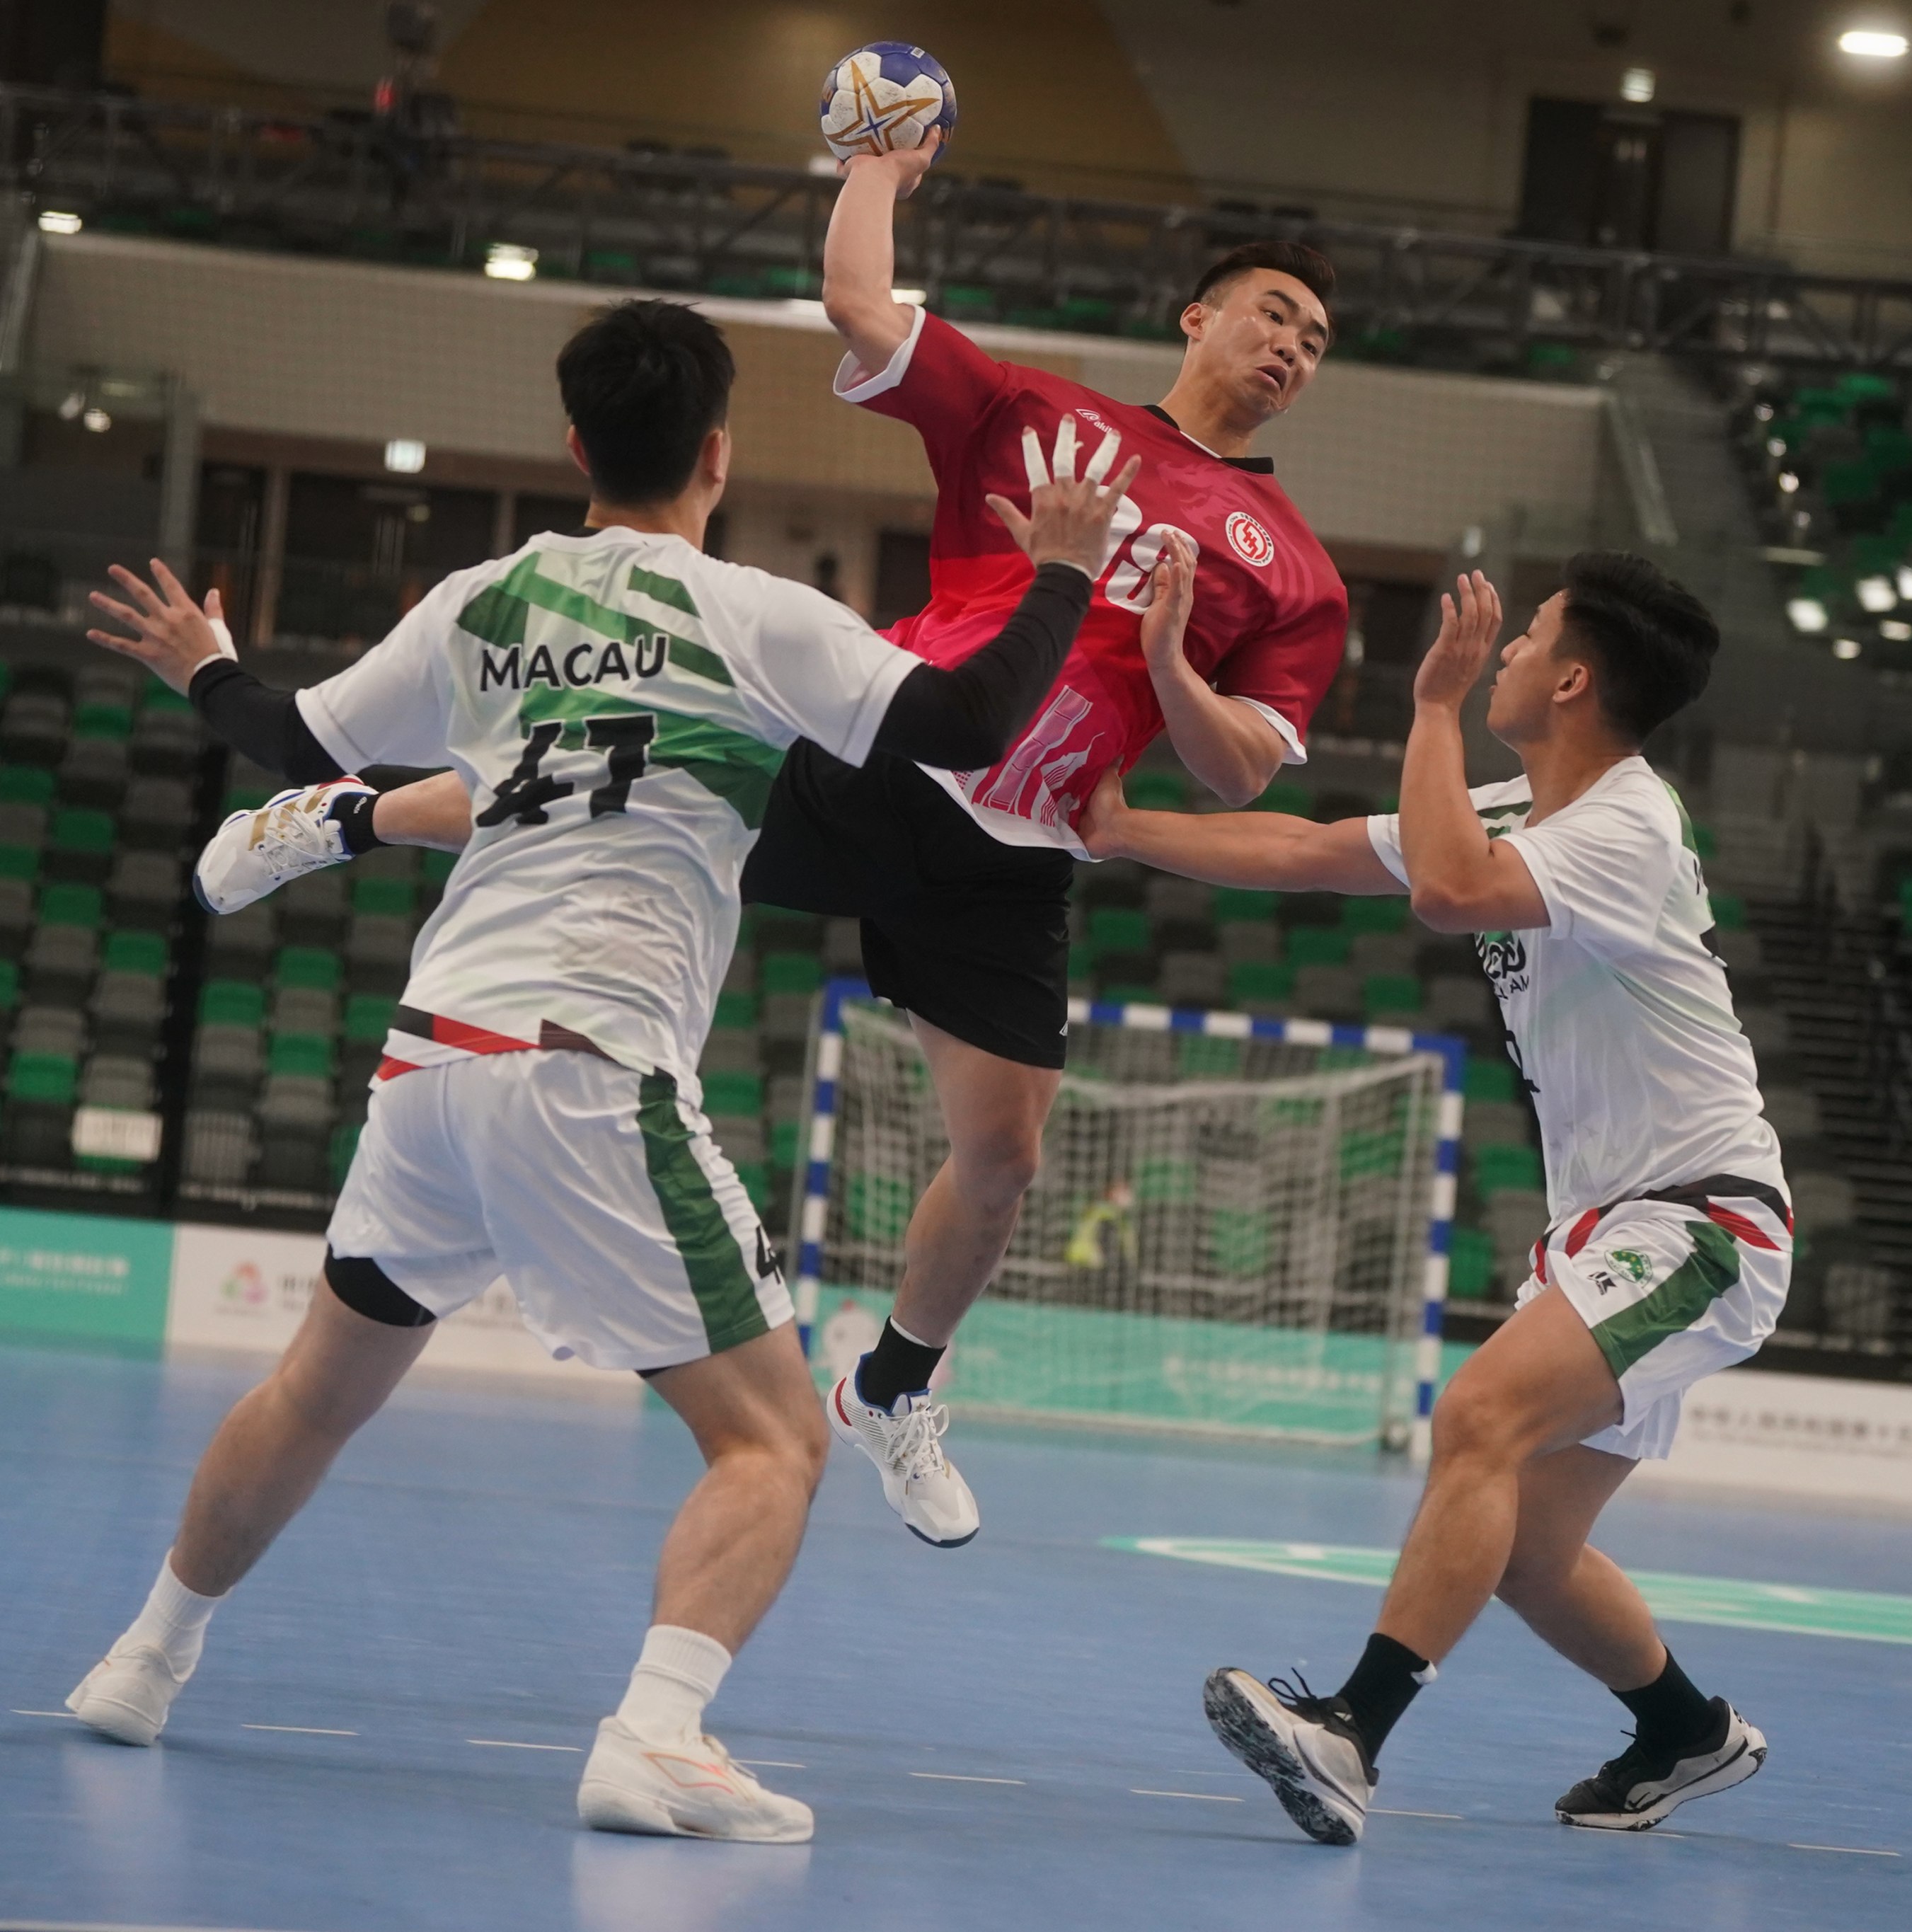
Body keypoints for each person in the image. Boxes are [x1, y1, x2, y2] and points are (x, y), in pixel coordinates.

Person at [66, 297, 1141, 1843]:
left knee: (313, 1390)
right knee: (773, 1438)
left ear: (574, 448)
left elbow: (302, 737)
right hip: (586, 1068)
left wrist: (206, 663)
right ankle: (657, 1737)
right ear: (719, 453)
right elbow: (971, 722)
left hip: (431, 1058)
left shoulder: (481, 601)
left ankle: (142, 1660)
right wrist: (1059, 567)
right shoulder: (752, 614)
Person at [195, 135, 1352, 1548]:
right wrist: (877, 164)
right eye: (1272, 313)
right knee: (624, 775)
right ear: (1199, 315)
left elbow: (1237, 772)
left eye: (1314, 338)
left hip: (1019, 849)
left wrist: (1173, 663)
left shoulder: (1296, 570)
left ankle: (894, 1389)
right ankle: (344, 814)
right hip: (878, 756)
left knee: (1003, 1165)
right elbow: (862, 308)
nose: (1290, 345)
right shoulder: (1041, 415)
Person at [1074, 552, 1790, 1845]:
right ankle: (1686, 1733)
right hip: (1613, 1224)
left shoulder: (1627, 822)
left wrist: (1432, 708)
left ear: (1572, 679)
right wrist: (1122, 832)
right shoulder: (1521, 813)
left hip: (1702, 1218)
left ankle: (1350, 1731)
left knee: (1475, 1420)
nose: (1504, 647)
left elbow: (1452, 894)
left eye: (1527, 638)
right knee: (1524, 1548)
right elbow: (1306, 847)